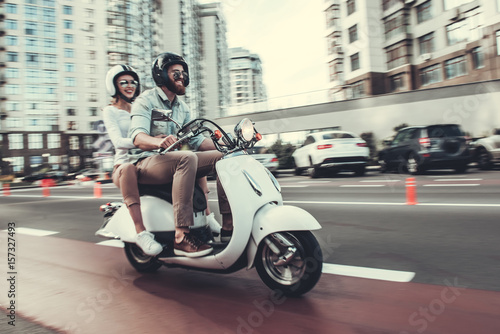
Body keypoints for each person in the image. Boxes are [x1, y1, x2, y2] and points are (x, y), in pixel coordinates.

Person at [128, 52, 232, 258]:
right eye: (176, 73)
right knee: (187, 157)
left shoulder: (182, 108)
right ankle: (181, 236)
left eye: (183, 73)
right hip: (145, 162)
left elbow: (196, 141)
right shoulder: (145, 100)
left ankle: (228, 226)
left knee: (224, 158)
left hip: (170, 160)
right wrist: (157, 141)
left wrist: (226, 144)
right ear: (162, 75)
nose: (182, 77)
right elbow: (136, 137)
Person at [102, 65, 163, 256]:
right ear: (114, 86)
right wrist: (149, 142)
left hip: (145, 161)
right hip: (123, 166)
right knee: (128, 167)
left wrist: (160, 137)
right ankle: (140, 232)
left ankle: (201, 223)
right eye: (124, 82)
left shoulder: (141, 108)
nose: (130, 86)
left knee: (185, 160)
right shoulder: (110, 111)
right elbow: (118, 142)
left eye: (133, 82)